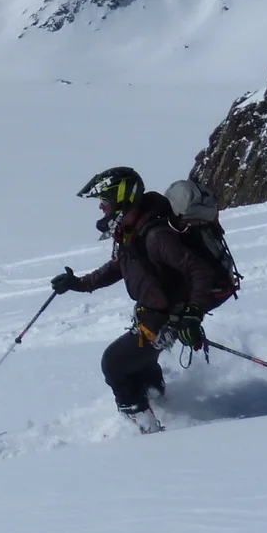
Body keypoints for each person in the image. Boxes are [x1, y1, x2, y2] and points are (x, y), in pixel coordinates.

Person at [50, 167, 225, 434]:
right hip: (152, 314)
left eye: (105, 202)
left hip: (166, 317)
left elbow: (199, 270)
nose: (102, 209)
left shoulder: (156, 235)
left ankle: (145, 430)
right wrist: (79, 283)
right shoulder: (133, 229)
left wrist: (193, 314)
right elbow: (119, 266)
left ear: (122, 198)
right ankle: (162, 407)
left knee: (114, 363)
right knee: (140, 366)